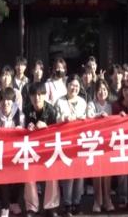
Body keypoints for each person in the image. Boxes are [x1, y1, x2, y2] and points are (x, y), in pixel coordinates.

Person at [23, 82, 60, 217]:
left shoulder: (51, 110)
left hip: (49, 148)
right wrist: (27, 128)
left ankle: (51, 207)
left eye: (40, 94)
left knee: (51, 175)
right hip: (31, 149)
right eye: (34, 95)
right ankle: (32, 208)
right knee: (29, 175)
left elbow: (58, 132)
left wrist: (47, 128)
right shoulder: (26, 109)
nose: (37, 98)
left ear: (45, 95)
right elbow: (20, 129)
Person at [55, 75, 87, 216]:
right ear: (67, 85)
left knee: (79, 173)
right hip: (65, 140)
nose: (74, 88)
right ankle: (67, 203)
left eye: (77, 86)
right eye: (72, 85)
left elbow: (88, 118)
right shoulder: (60, 101)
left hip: (80, 140)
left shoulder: (82, 101)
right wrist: (64, 119)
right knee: (68, 173)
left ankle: (77, 201)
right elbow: (55, 118)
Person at [0, 87, 23, 217]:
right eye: (3, 100)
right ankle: (5, 206)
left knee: (19, 177)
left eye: (9, 100)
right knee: (3, 179)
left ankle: (14, 202)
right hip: (1, 153)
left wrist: (22, 129)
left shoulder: (19, 114)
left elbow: (24, 130)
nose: (6, 103)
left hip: (16, 152)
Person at [87, 79, 115, 213]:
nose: (102, 92)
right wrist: (100, 116)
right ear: (95, 92)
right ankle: (97, 200)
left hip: (108, 142)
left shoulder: (111, 105)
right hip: (95, 142)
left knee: (107, 173)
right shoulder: (92, 104)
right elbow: (89, 116)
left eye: (104, 89)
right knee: (97, 173)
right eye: (99, 90)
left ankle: (107, 199)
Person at [111, 80, 128, 208]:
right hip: (120, 142)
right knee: (122, 172)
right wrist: (118, 116)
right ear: (122, 91)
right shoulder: (116, 105)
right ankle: (122, 198)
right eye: (125, 90)